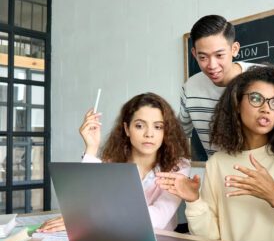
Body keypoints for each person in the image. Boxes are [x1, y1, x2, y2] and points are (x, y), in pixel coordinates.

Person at [157, 65, 274, 241]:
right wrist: (194, 200)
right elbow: (211, 240)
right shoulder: (217, 163)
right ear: (237, 104)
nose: (266, 108)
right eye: (256, 99)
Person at [180, 14, 274, 161]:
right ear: (194, 54)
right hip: (223, 176)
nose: (212, 65)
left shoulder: (265, 79)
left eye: (219, 55)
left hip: (269, 175)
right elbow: (178, 134)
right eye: (203, 57)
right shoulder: (190, 88)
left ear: (234, 49)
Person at [39, 92, 191, 232]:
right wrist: (91, 148)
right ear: (126, 129)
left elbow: (157, 219)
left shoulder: (178, 167)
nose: (149, 134)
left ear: (166, 131)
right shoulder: (111, 163)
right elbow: (86, 203)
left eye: (158, 127)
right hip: (111, 236)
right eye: (139, 125)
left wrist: (87, 219)